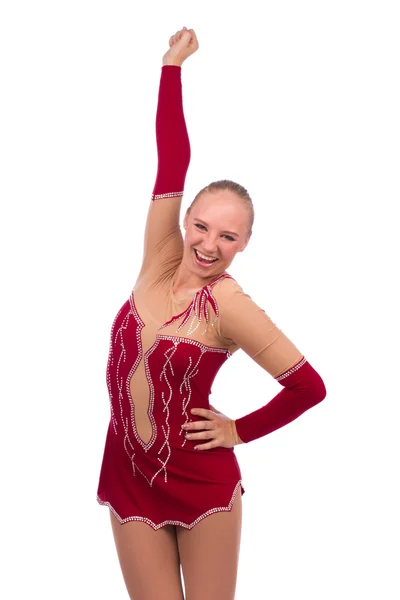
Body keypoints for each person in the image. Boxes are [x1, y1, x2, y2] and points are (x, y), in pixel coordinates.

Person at [96, 26, 326, 600]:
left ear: (243, 243)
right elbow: (172, 157)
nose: (208, 244)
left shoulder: (230, 304)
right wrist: (171, 66)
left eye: (227, 235)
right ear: (186, 221)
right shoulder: (158, 255)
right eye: (200, 225)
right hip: (130, 475)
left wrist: (237, 430)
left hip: (201, 482)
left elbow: (309, 387)